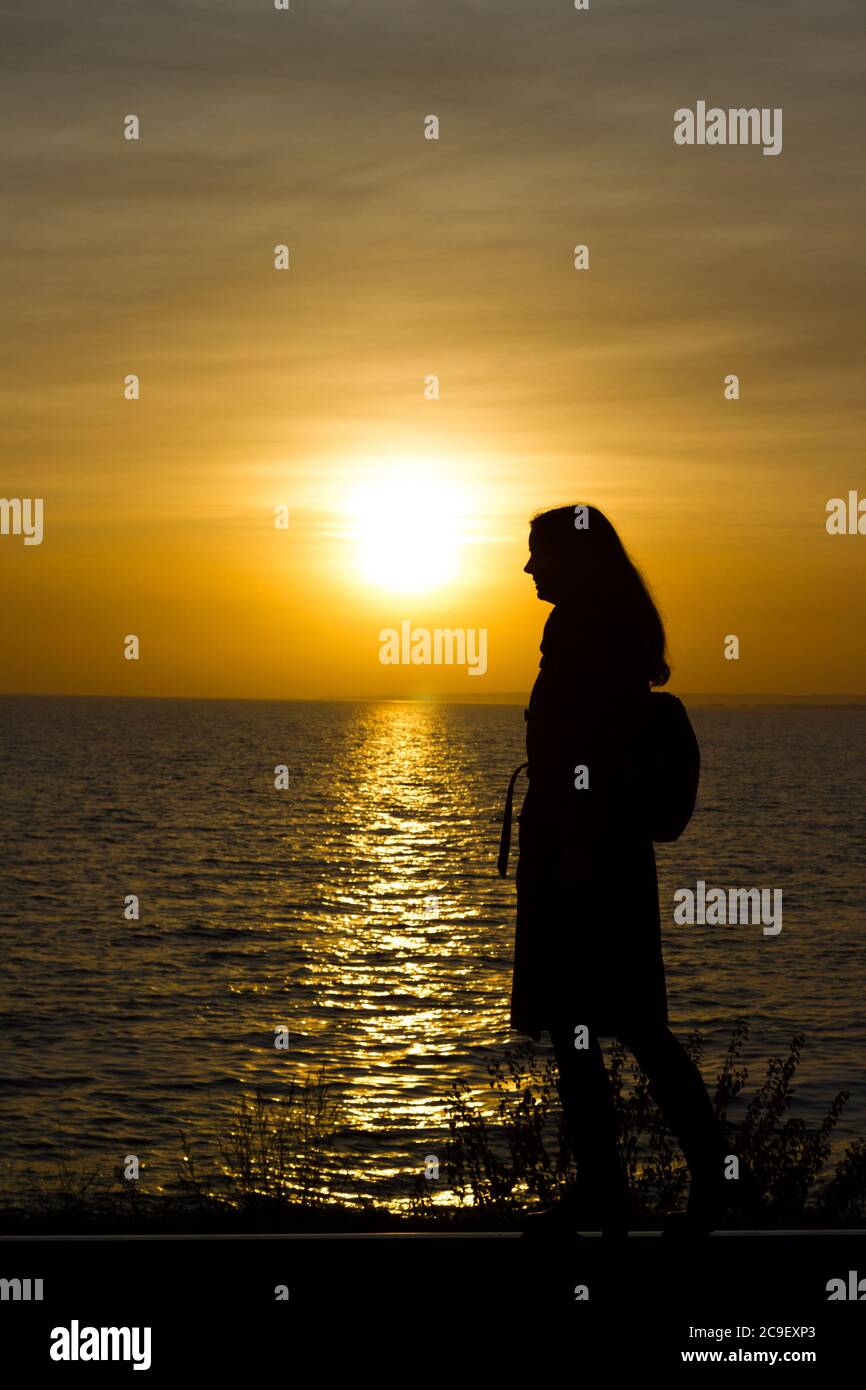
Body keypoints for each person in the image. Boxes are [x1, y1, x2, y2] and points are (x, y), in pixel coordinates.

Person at [504, 503, 762, 1237]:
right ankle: (700, 1180)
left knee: (587, 1029)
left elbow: (589, 745)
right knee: (628, 1027)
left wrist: (578, 847)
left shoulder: (583, 626)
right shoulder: (611, 619)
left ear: (574, 557)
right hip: (598, 849)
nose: (529, 569)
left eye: (538, 555)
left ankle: (621, 1193)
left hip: (582, 854)